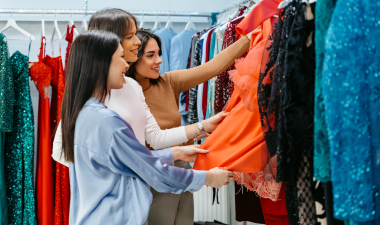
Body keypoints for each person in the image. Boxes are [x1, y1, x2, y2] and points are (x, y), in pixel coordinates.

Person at [61, 30, 233, 225]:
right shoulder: (108, 123)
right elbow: (152, 171)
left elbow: (129, 162)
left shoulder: (84, 115)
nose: (127, 64)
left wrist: (172, 154)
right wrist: (207, 178)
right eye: (120, 57)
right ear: (101, 64)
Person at [126, 30, 251, 224]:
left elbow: (215, 67)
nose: (159, 60)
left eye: (159, 53)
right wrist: (201, 127)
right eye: (151, 55)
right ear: (133, 57)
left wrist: (250, 37)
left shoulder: (168, 82)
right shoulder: (124, 94)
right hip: (153, 176)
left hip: (182, 170)